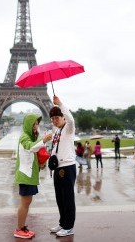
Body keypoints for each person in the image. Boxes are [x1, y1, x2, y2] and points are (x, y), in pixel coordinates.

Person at [13, 114, 52, 239]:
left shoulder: (30, 136)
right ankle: (19, 229)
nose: (36, 126)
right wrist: (44, 140)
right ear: (28, 124)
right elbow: (30, 148)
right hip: (25, 175)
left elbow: (33, 153)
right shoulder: (24, 137)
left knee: (27, 201)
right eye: (33, 124)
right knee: (25, 202)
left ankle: (22, 227)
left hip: (29, 175)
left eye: (37, 124)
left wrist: (41, 163)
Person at [48, 95, 77, 237]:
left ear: (63, 117)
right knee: (60, 198)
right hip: (58, 168)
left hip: (67, 167)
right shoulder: (57, 131)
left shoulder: (69, 128)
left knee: (68, 198)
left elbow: (71, 119)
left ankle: (69, 226)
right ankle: (62, 222)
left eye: (57, 118)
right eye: (52, 119)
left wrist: (59, 104)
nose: (54, 120)